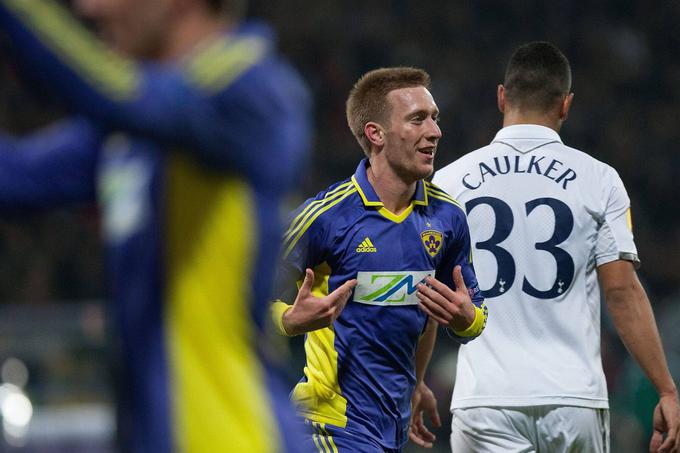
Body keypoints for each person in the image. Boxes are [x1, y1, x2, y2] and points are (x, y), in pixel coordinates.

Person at [0, 0, 311, 452]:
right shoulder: (133, 131)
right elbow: (13, 177)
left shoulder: (252, 91)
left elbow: (109, 90)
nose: (90, 8)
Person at [430, 41, 680, 453]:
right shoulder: (599, 179)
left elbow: (430, 292)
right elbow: (620, 292)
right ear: (565, 104)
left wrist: (419, 380)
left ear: (501, 97)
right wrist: (666, 389)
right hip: (572, 398)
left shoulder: (449, 181)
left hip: (486, 399)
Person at [269, 67, 488, 452]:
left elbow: (448, 310)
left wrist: (466, 321)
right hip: (327, 425)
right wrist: (288, 320)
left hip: (391, 430)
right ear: (376, 134)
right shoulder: (326, 218)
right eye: (418, 119)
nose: (434, 131)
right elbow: (237, 299)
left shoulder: (447, 218)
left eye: (435, 118)